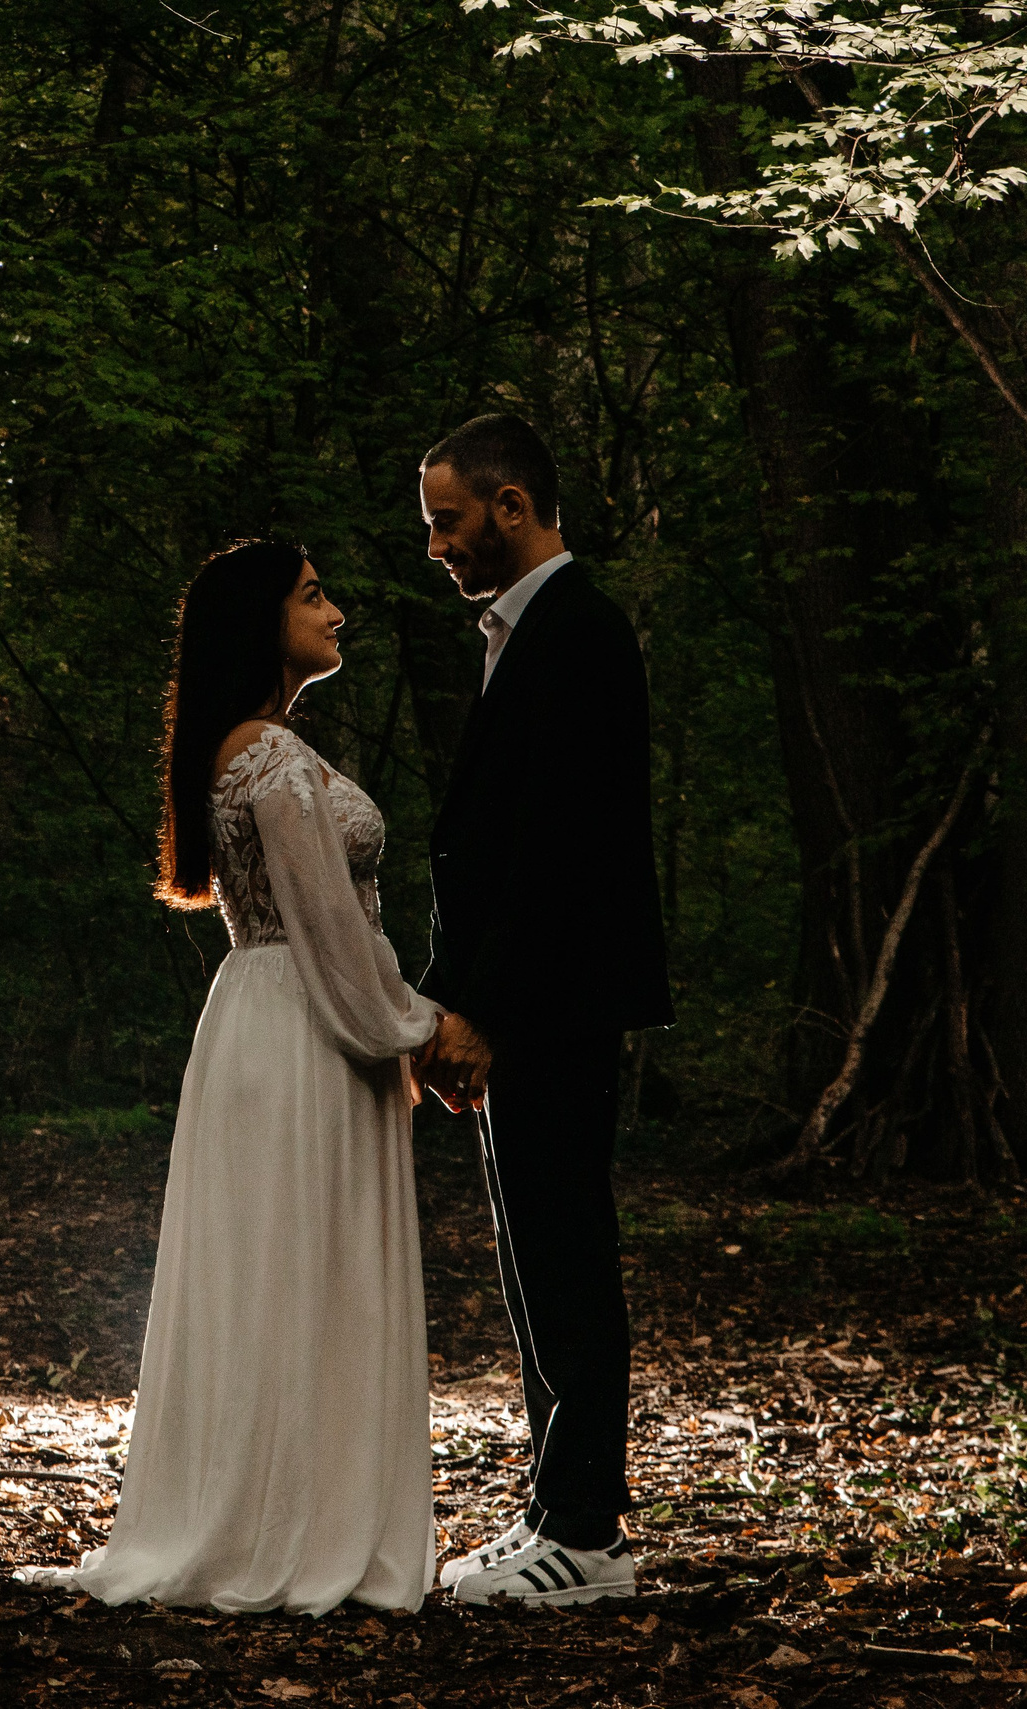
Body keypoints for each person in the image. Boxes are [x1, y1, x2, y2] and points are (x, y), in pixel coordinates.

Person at [15, 539, 441, 1614]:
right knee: (303, 1269)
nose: (336, 612)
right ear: (262, 621)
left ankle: (284, 1513)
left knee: (280, 1271)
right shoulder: (269, 756)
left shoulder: (248, 748)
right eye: (313, 596)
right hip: (307, 1021)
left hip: (265, 1014)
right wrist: (417, 1027)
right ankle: (292, 1531)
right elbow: (328, 926)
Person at [411, 413, 674, 1607]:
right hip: (524, 1000)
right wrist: (447, 995)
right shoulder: (523, 633)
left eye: (448, 521)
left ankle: (587, 1531)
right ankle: (553, 1509)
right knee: (532, 1259)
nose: (437, 545)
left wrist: (485, 1007)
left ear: (510, 505)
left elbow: (559, 848)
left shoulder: (579, 630)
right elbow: (488, 843)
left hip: (557, 1001)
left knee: (564, 1254)